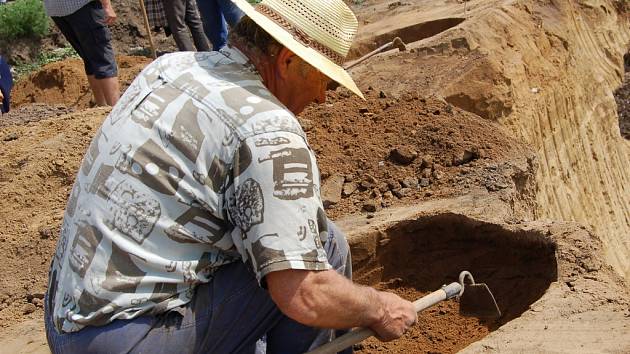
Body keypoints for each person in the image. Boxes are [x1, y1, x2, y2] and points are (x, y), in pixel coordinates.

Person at [44, 0, 417, 353]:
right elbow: (306, 294)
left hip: (68, 321)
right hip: (130, 339)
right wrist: (379, 308)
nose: (322, 98)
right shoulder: (267, 129)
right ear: (287, 60)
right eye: (323, 80)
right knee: (324, 250)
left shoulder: (170, 67)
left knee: (264, 247)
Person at [43, 0, 120, 107]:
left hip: (56, 9)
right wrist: (106, 4)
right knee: (103, 58)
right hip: (81, 5)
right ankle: (115, 111)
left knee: (89, 58)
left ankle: (101, 108)